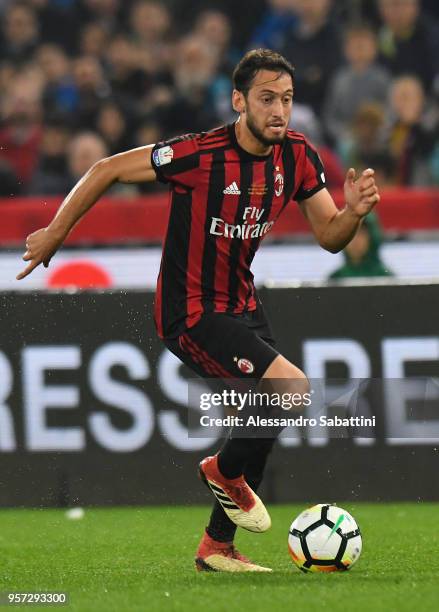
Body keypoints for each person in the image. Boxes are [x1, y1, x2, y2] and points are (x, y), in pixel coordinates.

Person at [16, 49, 380, 572]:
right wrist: (56, 231)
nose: (280, 110)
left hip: (241, 304)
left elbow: (329, 236)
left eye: (288, 99)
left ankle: (216, 546)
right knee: (290, 390)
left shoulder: (297, 155)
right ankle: (221, 471)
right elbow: (107, 167)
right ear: (239, 101)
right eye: (267, 99)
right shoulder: (200, 153)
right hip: (189, 312)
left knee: (266, 418)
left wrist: (353, 214)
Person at [328, 212, 392, 279]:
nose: (355, 240)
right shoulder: (335, 279)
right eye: (350, 233)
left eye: (361, 233)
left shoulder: (387, 279)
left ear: (373, 237)